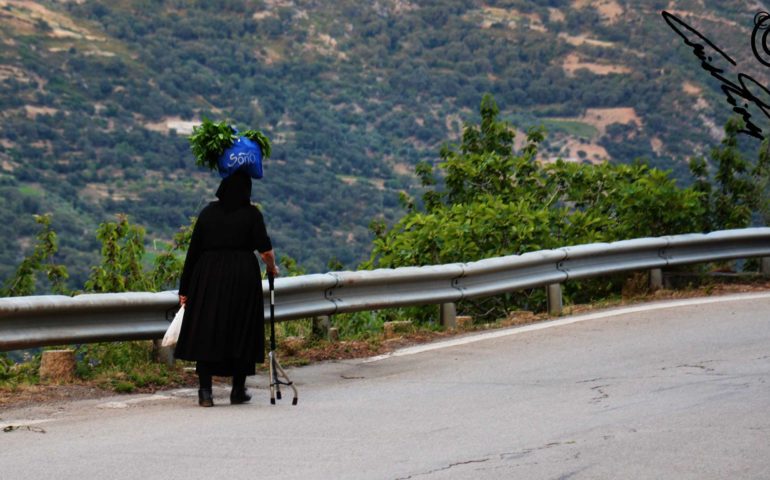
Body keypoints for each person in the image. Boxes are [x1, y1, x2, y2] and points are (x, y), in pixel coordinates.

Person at [175, 169, 279, 407]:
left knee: (207, 327)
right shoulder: (252, 215)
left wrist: (185, 289)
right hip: (242, 276)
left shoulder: (207, 214)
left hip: (208, 275)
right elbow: (265, 252)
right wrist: (272, 268)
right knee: (240, 328)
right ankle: (237, 390)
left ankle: (205, 392)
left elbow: (193, 253)